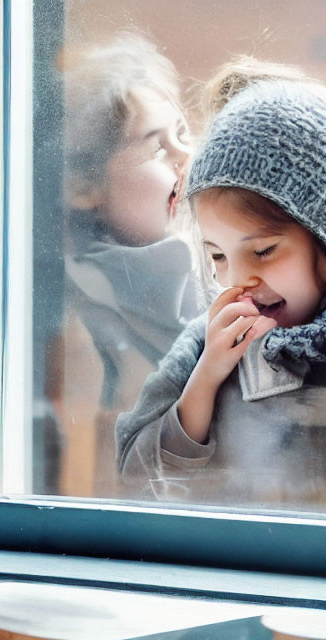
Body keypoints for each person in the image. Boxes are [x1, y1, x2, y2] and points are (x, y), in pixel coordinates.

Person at [116, 65, 326, 507]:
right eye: (217, 256)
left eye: (264, 250)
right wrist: (207, 377)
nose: (237, 278)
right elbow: (135, 474)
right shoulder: (206, 343)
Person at [56, 33, 204, 496]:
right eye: (156, 147)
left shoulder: (213, 275)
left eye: (183, 135)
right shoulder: (78, 323)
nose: (186, 157)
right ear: (82, 185)